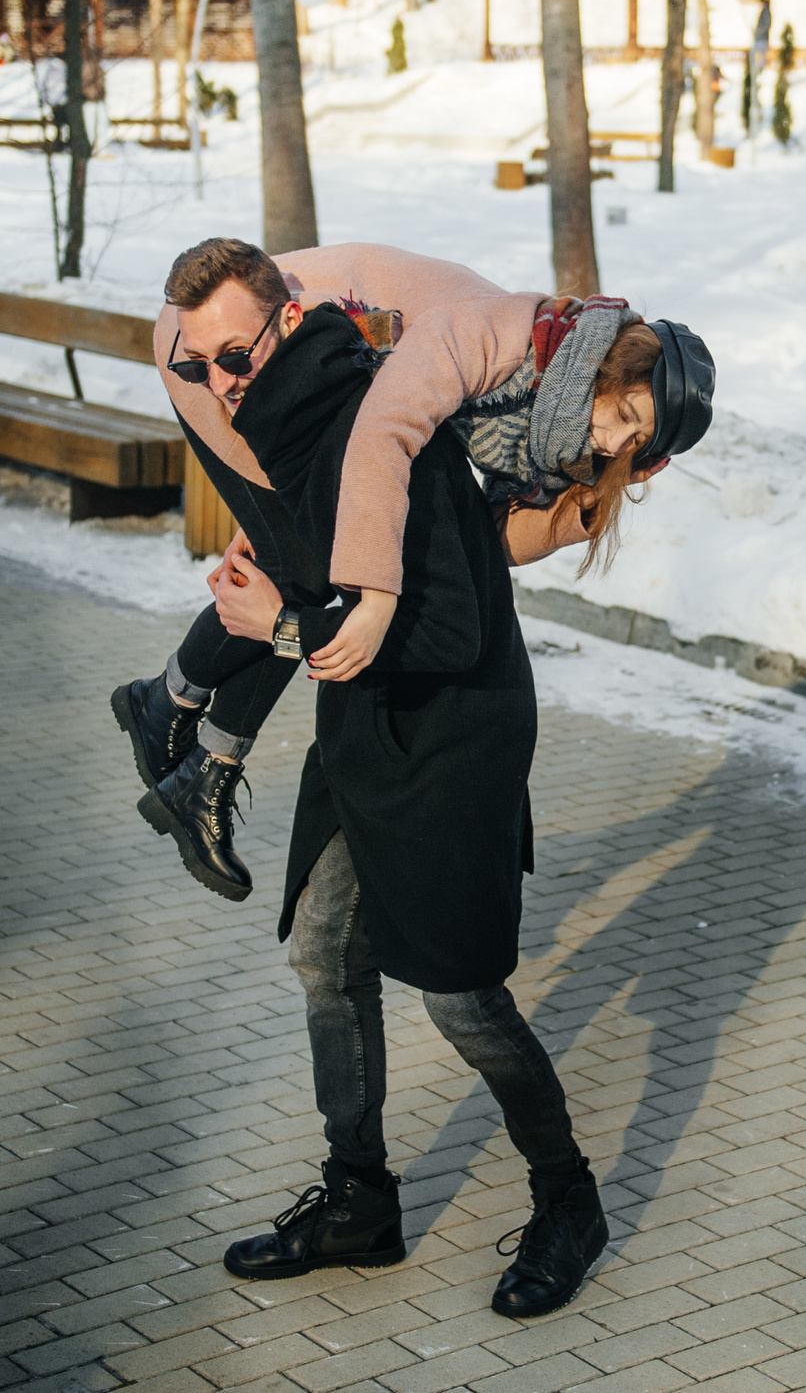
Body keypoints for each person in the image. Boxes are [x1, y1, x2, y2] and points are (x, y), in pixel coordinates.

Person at [192, 281, 611, 1319]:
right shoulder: (296, 442)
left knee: (460, 996)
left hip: (453, 737)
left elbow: (449, 631)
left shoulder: (386, 439)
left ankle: (568, 1195)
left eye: (234, 356)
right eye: (193, 368)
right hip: (368, 732)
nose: (220, 384)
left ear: (289, 329)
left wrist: (283, 627)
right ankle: (358, 1201)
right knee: (325, 953)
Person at [111, 241, 714, 903]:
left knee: (303, 561)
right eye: (624, 416)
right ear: (605, 369)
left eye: (638, 442)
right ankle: (174, 717)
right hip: (216, 351)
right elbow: (386, 426)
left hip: (298, 385)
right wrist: (371, 598)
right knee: (302, 569)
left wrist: (576, 510)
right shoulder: (496, 337)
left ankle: (182, 729)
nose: (616, 442)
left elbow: (473, 543)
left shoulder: (557, 430)